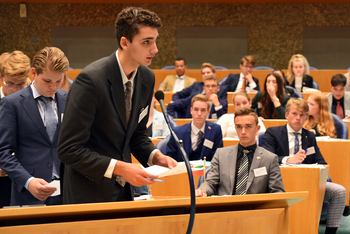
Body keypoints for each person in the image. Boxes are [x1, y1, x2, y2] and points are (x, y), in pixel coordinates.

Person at [57, 7, 177, 204]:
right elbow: (68, 149)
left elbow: (136, 135)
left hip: (123, 193)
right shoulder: (91, 81)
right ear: (124, 42)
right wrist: (120, 168)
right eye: (147, 42)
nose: (155, 49)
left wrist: (155, 156)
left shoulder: (147, 77)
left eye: (155, 41)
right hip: (87, 193)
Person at [262, 98, 346, 234]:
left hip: (308, 181)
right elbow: (266, 159)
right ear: (286, 114)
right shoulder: (273, 133)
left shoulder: (309, 137)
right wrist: (289, 159)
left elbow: (321, 162)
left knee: (339, 191)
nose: (298, 118)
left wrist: (317, 170)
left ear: (306, 117)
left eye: (302, 115)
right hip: (281, 181)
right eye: (294, 114)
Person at [0, 47, 69, 206]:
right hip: (28, 193)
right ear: (33, 73)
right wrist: (27, 181)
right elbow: (3, 151)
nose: (53, 87)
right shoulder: (12, 103)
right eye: (47, 81)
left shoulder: (68, 99)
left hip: (66, 193)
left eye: (58, 81)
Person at [196, 107, 284, 197]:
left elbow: (278, 192)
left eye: (248, 127)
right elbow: (210, 182)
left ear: (257, 128)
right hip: (225, 207)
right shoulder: (221, 154)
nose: (243, 132)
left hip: (254, 209)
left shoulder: (269, 159)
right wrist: (202, 191)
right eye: (239, 127)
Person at [0, 50, 31, 208]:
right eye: (10, 84)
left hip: (26, 178)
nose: (15, 90)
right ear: (1, 78)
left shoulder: (33, 101)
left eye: (21, 84)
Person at [166, 94, 223, 162]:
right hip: (183, 170)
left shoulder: (215, 130)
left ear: (208, 112)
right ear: (191, 110)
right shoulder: (177, 132)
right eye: (196, 109)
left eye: (203, 110)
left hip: (206, 171)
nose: (199, 113)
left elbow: (218, 158)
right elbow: (170, 158)